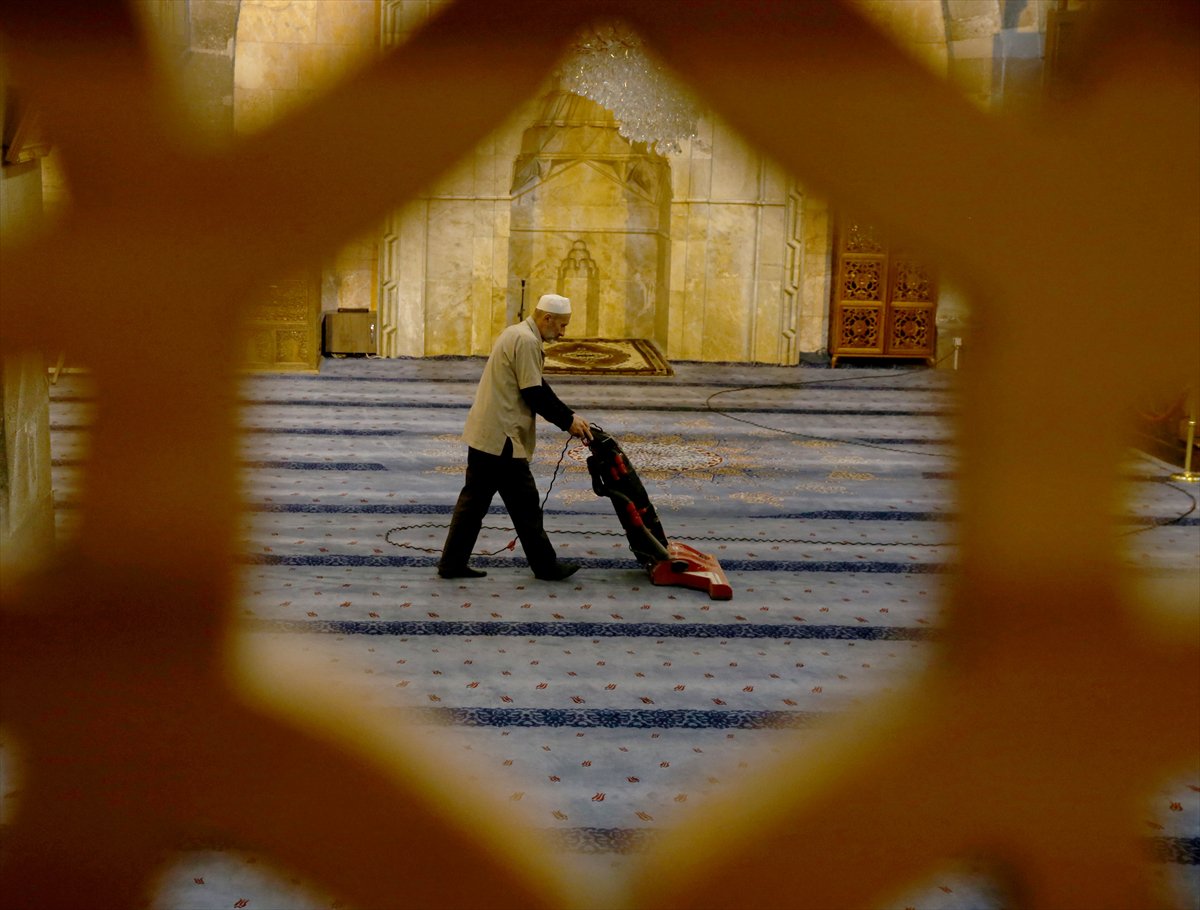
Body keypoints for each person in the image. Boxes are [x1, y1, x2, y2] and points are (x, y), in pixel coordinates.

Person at [437, 293, 592, 580]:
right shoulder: (527, 341)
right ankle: (546, 567)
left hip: (488, 432)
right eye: (562, 325)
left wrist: (569, 415)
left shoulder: (517, 333)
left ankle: (451, 564)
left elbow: (537, 384)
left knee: (475, 504)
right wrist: (567, 420)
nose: (563, 332)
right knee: (525, 506)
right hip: (503, 438)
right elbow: (533, 393)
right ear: (547, 318)